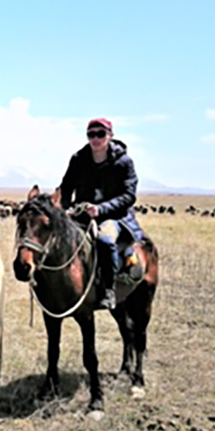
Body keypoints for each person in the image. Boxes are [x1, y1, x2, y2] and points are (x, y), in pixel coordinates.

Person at [59, 118, 143, 310]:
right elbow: (66, 188)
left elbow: (129, 196)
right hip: (82, 215)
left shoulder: (124, 162)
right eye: (91, 134)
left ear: (110, 136)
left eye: (100, 134)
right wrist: (65, 209)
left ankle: (108, 289)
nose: (95, 138)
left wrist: (101, 209)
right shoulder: (78, 159)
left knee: (104, 240)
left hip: (114, 216)